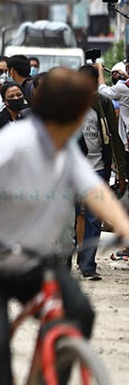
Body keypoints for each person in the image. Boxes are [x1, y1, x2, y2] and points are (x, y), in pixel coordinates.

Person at [0, 68, 129, 385]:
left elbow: (94, 191)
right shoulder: (14, 144)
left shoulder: (64, 147)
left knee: (79, 313)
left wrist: (124, 225)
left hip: (30, 259)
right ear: (73, 114)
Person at [75, 65, 126, 280]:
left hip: (97, 169)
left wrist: (120, 172)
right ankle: (68, 261)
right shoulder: (66, 104)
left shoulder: (102, 104)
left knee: (94, 218)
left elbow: (114, 138)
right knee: (72, 217)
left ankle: (88, 265)